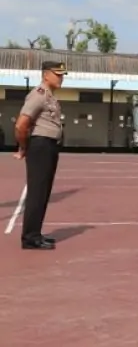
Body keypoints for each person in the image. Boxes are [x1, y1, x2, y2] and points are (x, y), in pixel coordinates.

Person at [14, 61, 67, 250]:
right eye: (57, 74)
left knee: (43, 192)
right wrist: (24, 147)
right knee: (37, 192)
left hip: (49, 146)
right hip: (40, 146)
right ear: (46, 75)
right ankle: (29, 237)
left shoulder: (50, 97)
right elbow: (21, 124)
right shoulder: (39, 95)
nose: (61, 78)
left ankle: (35, 233)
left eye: (62, 75)